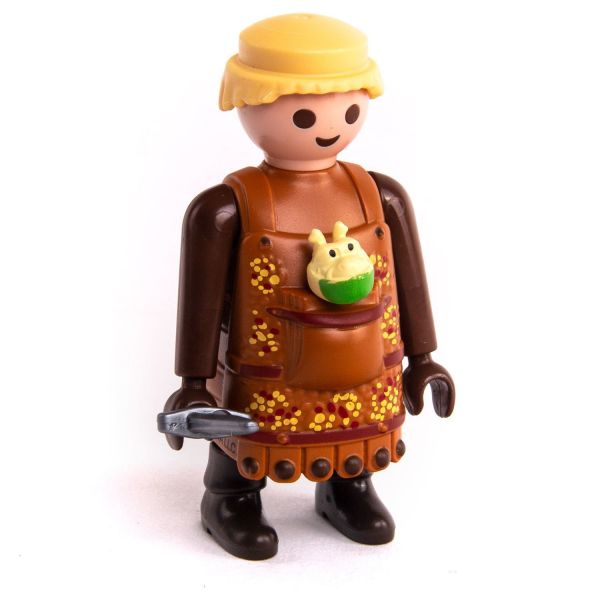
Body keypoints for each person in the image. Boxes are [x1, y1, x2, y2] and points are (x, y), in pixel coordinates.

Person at [163, 13, 455, 561]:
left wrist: (423, 359)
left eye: (349, 110)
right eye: (303, 114)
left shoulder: (380, 197)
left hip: (364, 367)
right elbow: (199, 302)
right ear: (248, 104)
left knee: (357, 434)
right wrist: (194, 383)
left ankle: (349, 487)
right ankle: (230, 496)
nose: (328, 127)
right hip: (266, 369)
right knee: (247, 434)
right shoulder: (227, 208)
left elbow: (411, 282)